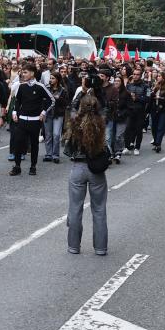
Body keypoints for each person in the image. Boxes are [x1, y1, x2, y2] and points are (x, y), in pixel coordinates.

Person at [64, 86, 108, 256]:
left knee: (75, 208)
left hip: (78, 167)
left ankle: (74, 246)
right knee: (99, 209)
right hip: (96, 167)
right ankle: (100, 248)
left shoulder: (74, 123)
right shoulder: (101, 123)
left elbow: (67, 149)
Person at [7, 64, 51, 176]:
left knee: (34, 144)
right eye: (22, 72)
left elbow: (51, 100)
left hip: (35, 120)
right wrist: (14, 112)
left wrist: (44, 112)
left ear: (32, 73)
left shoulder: (40, 86)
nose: (23, 74)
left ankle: (33, 166)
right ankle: (17, 166)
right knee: (18, 142)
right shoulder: (22, 86)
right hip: (22, 120)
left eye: (25, 72)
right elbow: (17, 101)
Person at [43, 70, 68, 164]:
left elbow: (66, 103)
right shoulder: (46, 88)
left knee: (56, 134)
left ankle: (55, 155)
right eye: (50, 78)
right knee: (48, 135)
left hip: (58, 114)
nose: (51, 80)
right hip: (48, 114)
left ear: (57, 79)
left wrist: (58, 99)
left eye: (53, 78)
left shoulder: (63, 90)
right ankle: (48, 154)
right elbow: (43, 101)